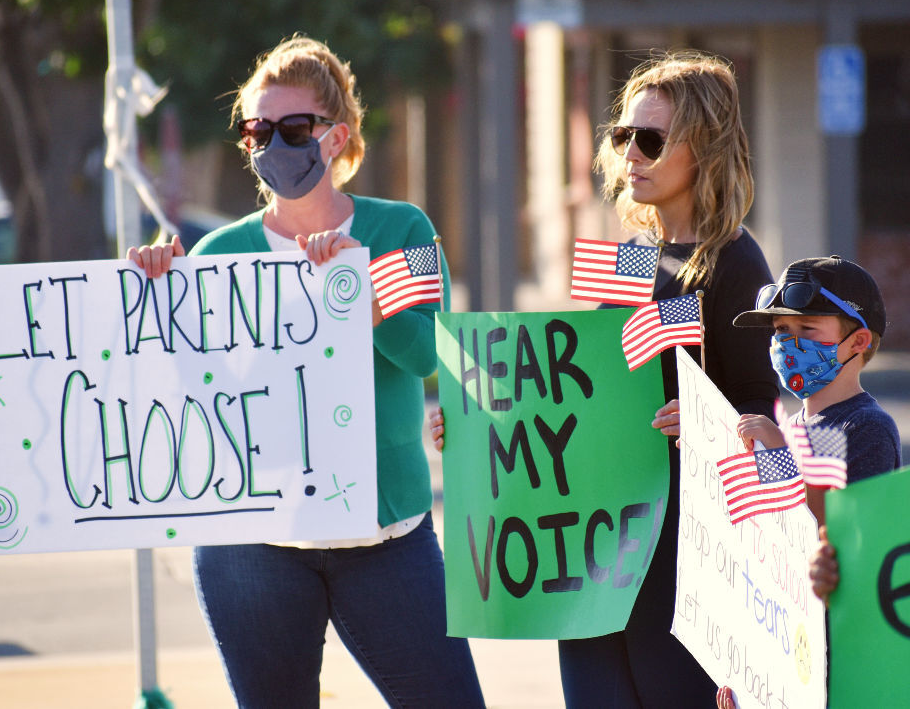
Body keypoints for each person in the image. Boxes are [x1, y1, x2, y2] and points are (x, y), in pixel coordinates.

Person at [129, 35, 484, 708]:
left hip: (386, 535)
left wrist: (364, 294)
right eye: (257, 130)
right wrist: (157, 296)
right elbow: (193, 394)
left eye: (293, 128)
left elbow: (428, 358)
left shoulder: (401, 227)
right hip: (254, 543)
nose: (271, 145)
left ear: (335, 135)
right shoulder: (219, 251)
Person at [432, 50, 779, 707]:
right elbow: (575, 391)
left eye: (650, 139)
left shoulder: (736, 260)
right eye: (623, 136)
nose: (632, 155)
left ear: (703, 147)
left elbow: (763, 406)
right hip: (593, 559)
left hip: (682, 560)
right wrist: (474, 416)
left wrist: (716, 421)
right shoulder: (626, 256)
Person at [716, 255, 903, 709]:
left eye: (807, 331)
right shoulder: (794, 427)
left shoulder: (866, 428)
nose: (788, 345)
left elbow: (846, 545)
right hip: (780, 662)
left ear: (858, 341)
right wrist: (742, 668)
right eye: (780, 332)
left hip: (833, 673)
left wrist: (780, 457)